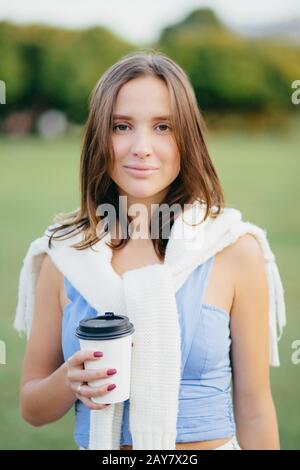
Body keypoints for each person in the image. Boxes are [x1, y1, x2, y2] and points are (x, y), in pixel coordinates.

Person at [16, 51, 284, 450]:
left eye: (163, 127)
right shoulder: (65, 254)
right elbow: (32, 407)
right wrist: (68, 381)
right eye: (121, 126)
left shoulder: (233, 249)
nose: (141, 147)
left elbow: (255, 408)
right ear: (98, 138)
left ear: (187, 139)